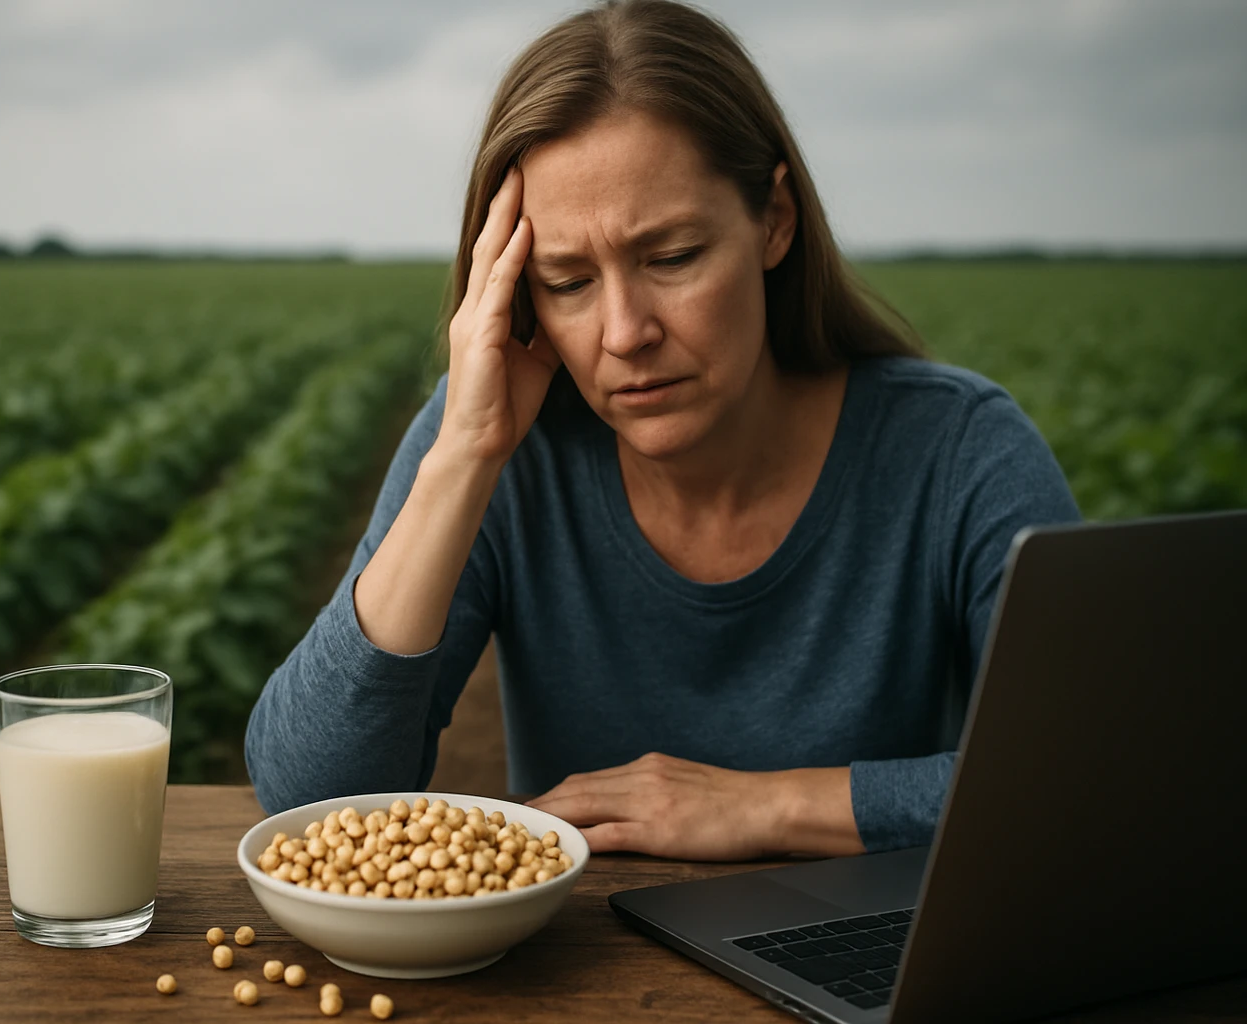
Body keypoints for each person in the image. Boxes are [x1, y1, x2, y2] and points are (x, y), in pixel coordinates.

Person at [245, 0, 1078, 860]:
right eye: (566, 280)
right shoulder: (495, 443)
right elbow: (308, 797)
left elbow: (1087, 771)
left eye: (672, 258)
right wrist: (462, 458)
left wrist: (766, 808)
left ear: (774, 221)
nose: (624, 332)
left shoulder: (959, 448)